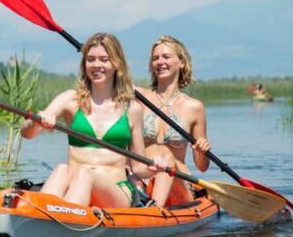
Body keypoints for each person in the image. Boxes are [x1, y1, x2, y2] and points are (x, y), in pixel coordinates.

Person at [20, 32, 166, 208]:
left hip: (116, 191)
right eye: (91, 59)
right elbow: (26, 133)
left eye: (104, 59)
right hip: (75, 187)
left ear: (116, 64)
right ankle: (41, 216)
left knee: (86, 175)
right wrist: (36, 121)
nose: (96, 65)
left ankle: (61, 219)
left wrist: (153, 168)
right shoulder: (70, 100)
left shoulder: (132, 109)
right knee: (61, 170)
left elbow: (139, 168)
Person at [136, 36, 211, 206]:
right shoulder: (138, 97)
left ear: (181, 62)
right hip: (145, 179)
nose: (160, 62)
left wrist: (201, 150)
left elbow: (202, 166)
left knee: (166, 157)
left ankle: (153, 212)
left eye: (166, 57)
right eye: (155, 58)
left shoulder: (194, 107)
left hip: (179, 183)